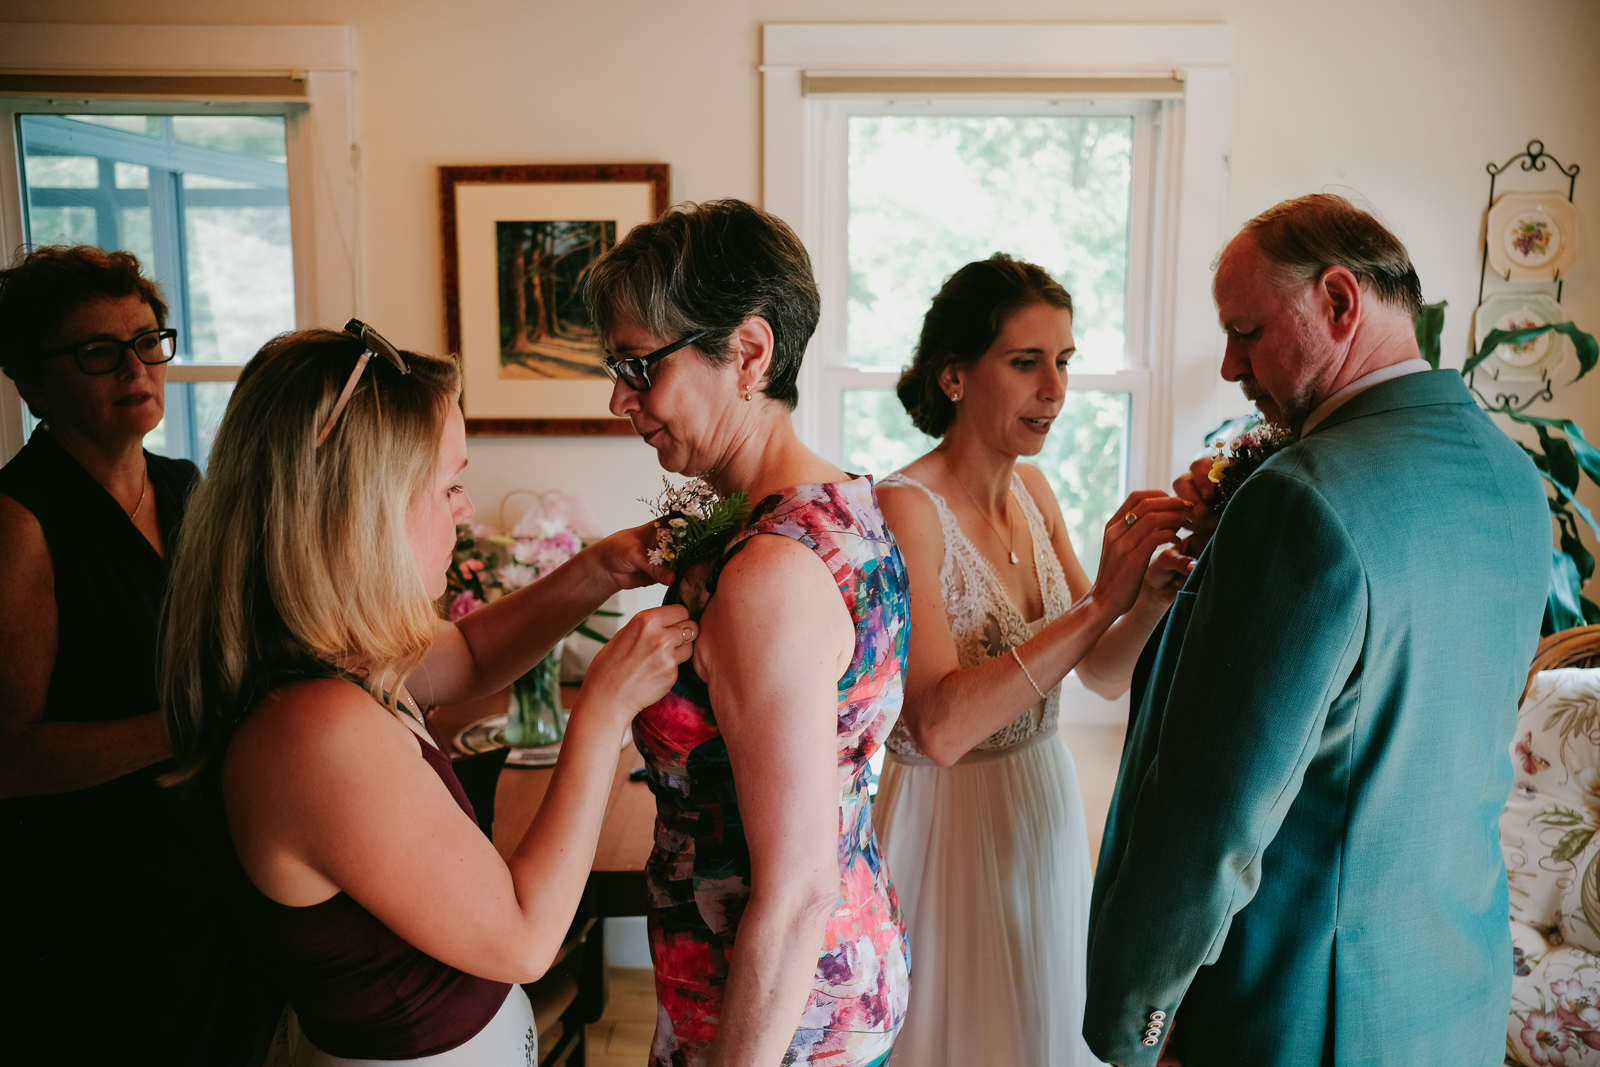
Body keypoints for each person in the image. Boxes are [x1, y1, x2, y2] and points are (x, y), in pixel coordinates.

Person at [1083, 194, 1550, 1066]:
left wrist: (1139, 1015)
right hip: (1452, 999)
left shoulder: (1303, 495)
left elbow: (1212, 807)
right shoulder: (1511, 476)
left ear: (1339, 301)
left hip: (1301, 1011)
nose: (1228, 365)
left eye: (1247, 331)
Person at [160, 321, 694, 1065]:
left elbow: (470, 655)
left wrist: (602, 567)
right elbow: (524, 935)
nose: (465, 510)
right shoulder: (316, 732)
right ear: (359, 510)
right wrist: (602, 712)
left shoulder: (330, 654)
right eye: (447, 485)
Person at [582, 199, 910, 1067]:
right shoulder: (844, 504)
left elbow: (797, 892)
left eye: (639, 365)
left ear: (749, 353)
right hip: (827, 963)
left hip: (773, 1012)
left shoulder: (770, 571)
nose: (620, 398)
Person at [872, 254, 1192, 1067]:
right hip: (948, 820)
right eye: (1026, 362)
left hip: (1039, 804)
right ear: (953, 375)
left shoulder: (1035, 493)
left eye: (1064, 361)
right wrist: (1099, 602)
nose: (1055, 389)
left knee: (1037, 1033)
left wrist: (1147, 593)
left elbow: (1102, 671)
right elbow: (939, 726)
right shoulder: (905, 509)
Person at [0, 245, 276, 1062]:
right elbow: (9, 757)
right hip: (91, 898)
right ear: (33, 382)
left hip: (206, 867)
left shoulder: (188, 486)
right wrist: (192, 726)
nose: (136, 366)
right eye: (99, 350)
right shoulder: (21, 522)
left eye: (149, 339)